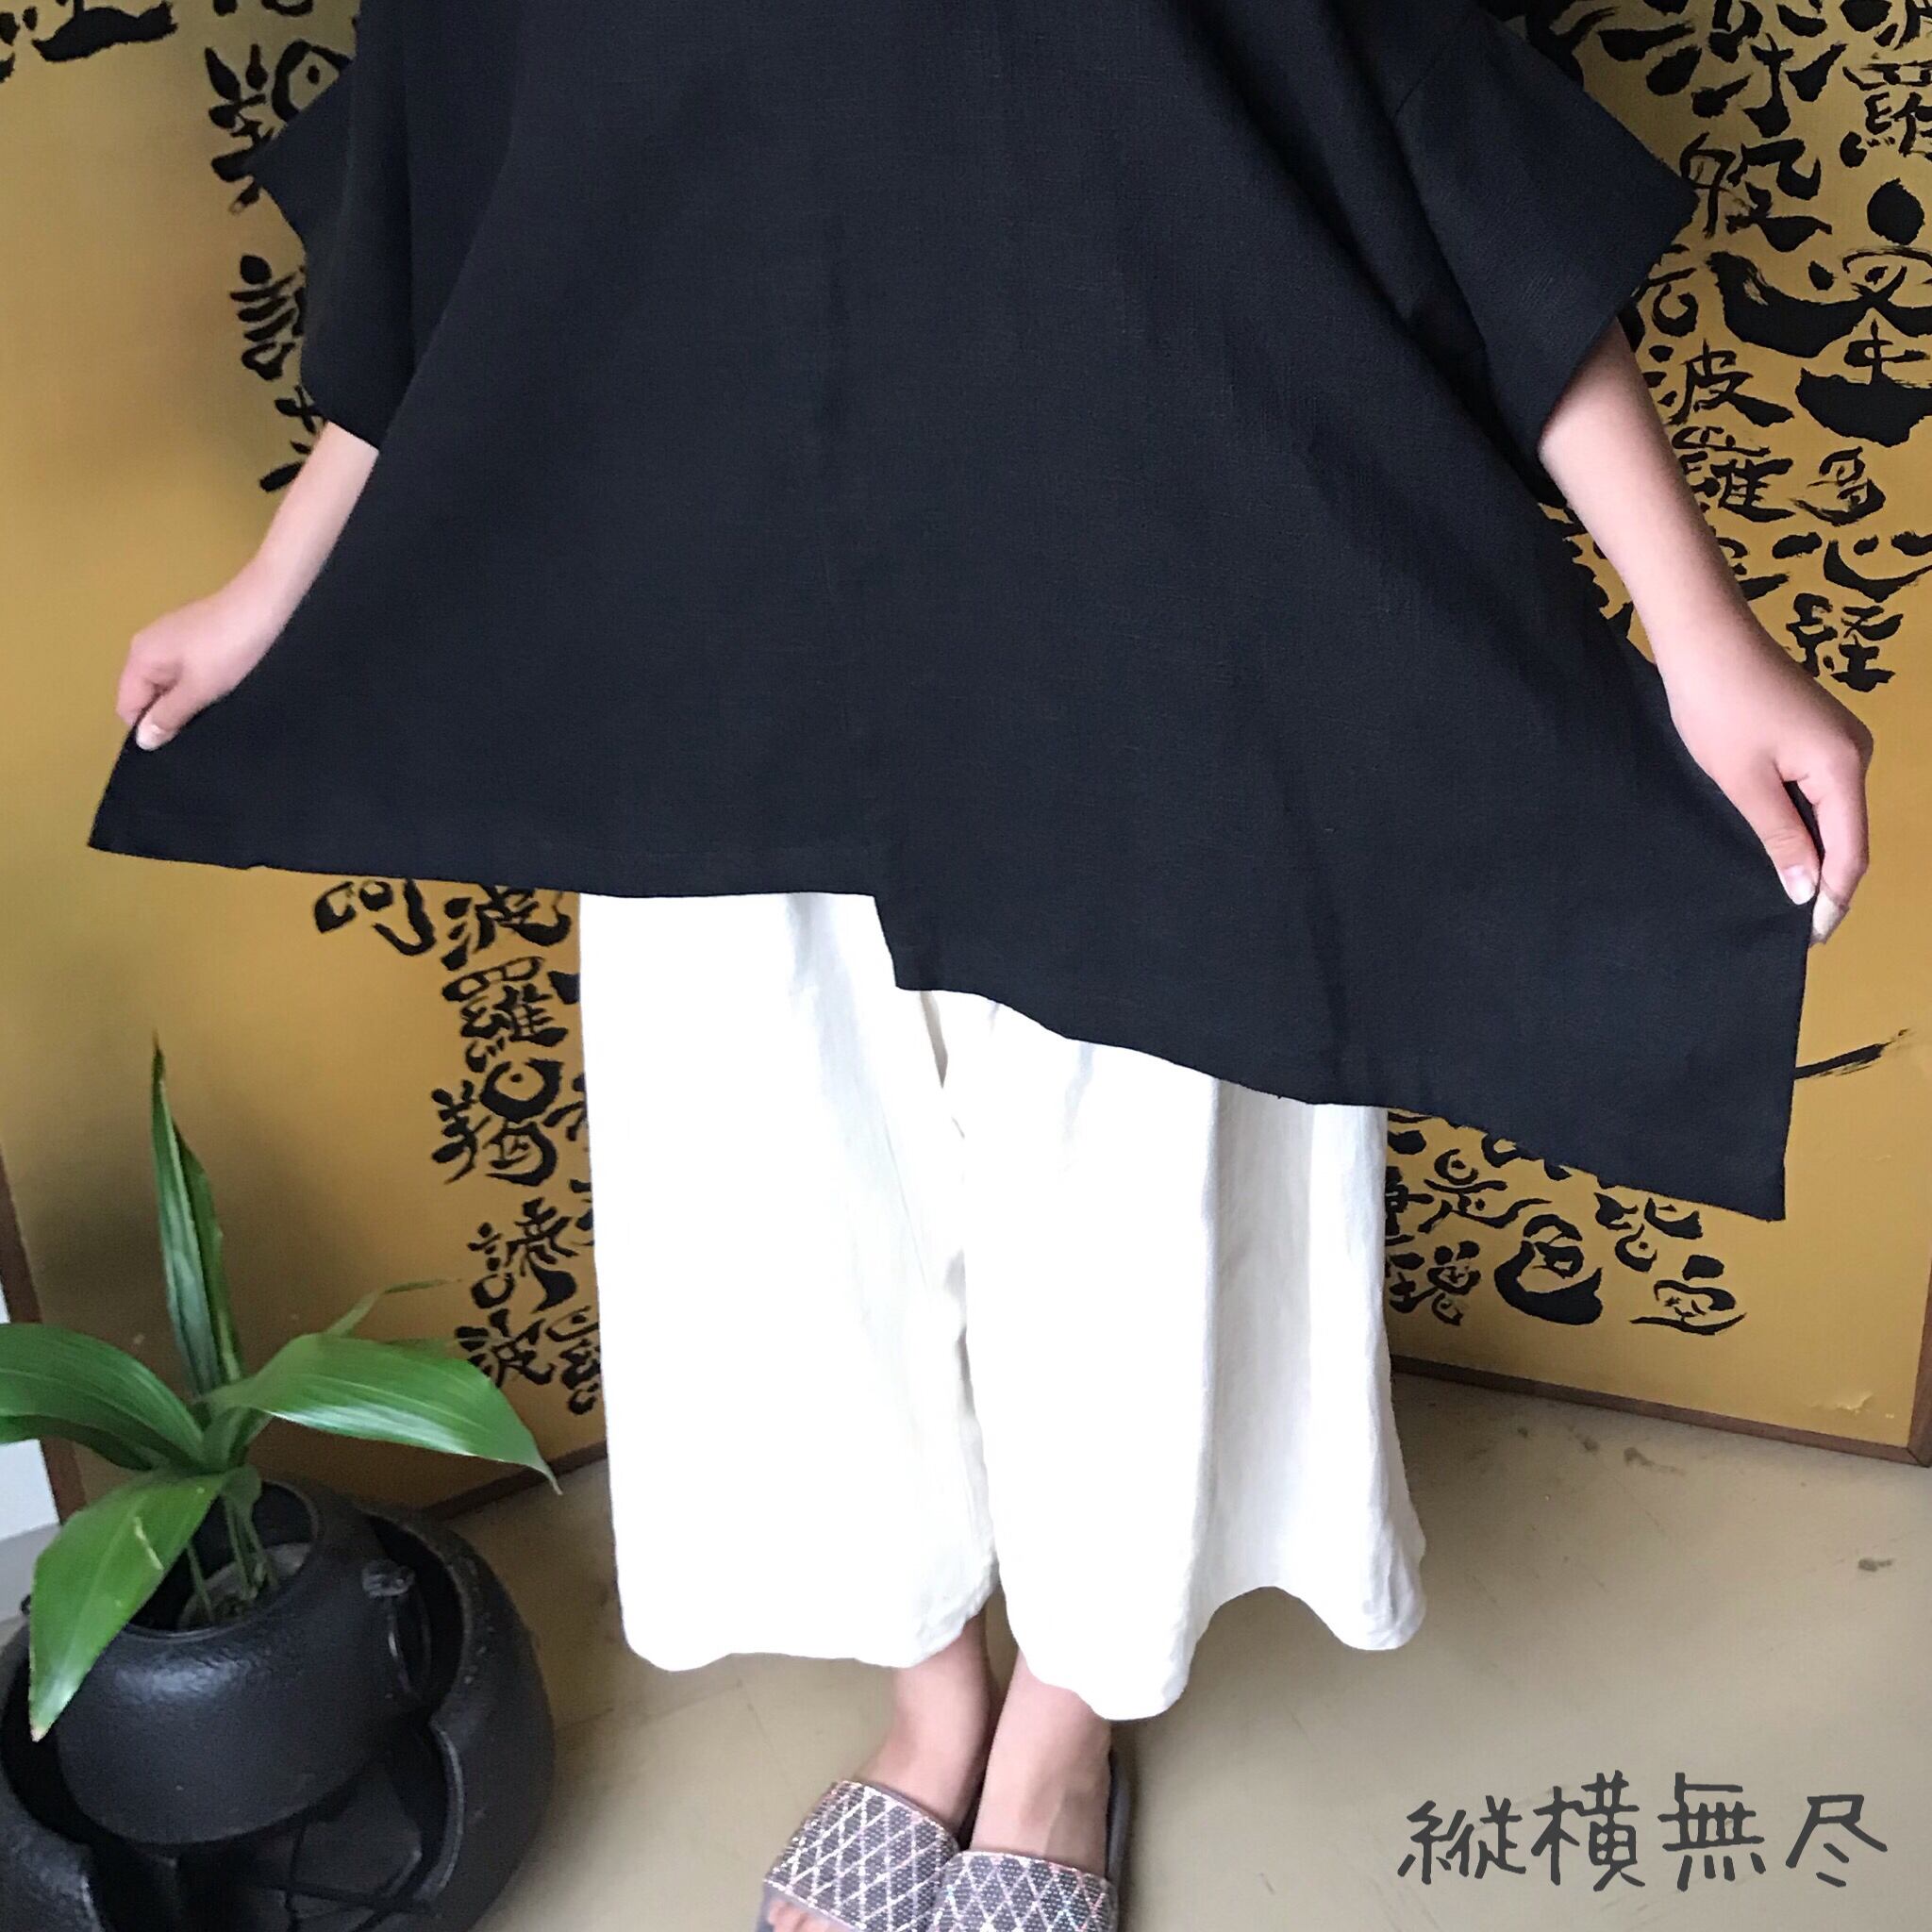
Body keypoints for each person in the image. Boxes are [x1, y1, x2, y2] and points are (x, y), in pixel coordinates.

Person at [93, 5, 1873, 1928]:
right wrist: (284, 576)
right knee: (778, 1183)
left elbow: (1422, 131)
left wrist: (1695, 625)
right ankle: (928, 1689)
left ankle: (1064, 1721)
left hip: (1159, 592)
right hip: (702, 610)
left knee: (1141, 1184)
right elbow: (463, 189)